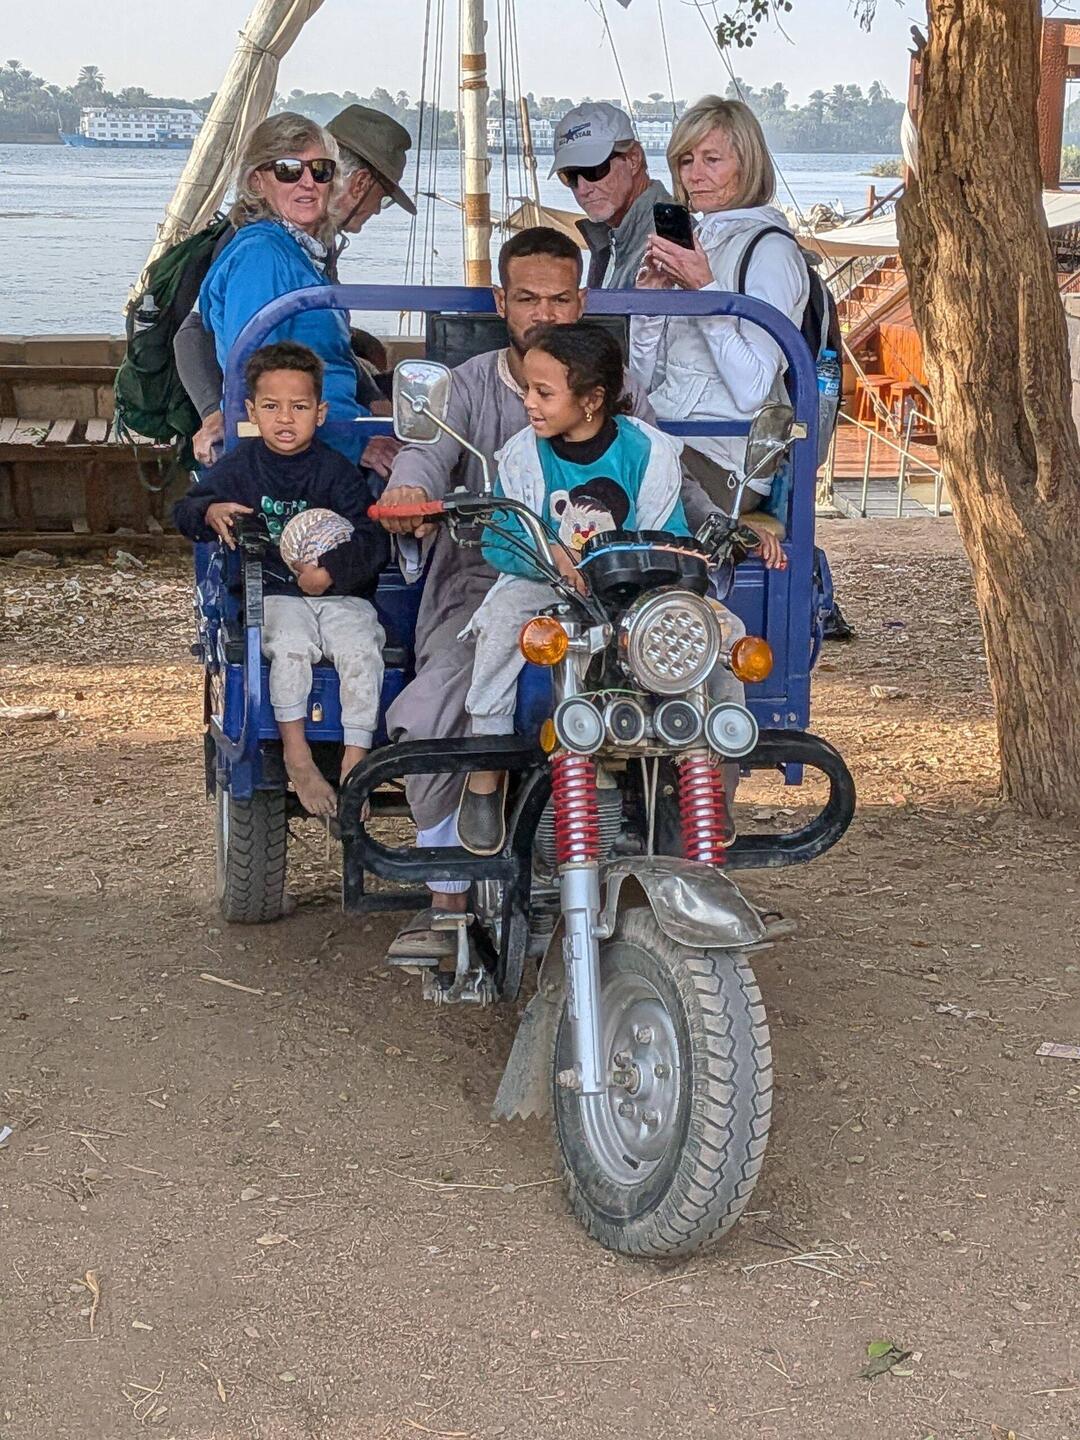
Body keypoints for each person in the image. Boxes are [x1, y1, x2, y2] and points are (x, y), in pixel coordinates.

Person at [376, 227, 661, 957]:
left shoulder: (610, 388)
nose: (544, 314)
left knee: (687, 686)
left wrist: (728, 520)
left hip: (604, 585)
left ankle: (676, 856)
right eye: (527, 298)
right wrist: (412, 484)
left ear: (582, 300)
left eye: (560, 299)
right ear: (501, 302)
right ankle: (446, 898)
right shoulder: (468, 385)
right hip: (485, 575)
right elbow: (428, 451)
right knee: (442, 698)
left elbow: (666, 477)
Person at [457, 322, 686, 854]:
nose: (529, 404)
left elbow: (671, 532)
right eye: (527, 391)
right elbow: (500, 537)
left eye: (544, 393)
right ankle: (487, 766)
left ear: (591, 400)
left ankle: (700, 769)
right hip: (543, 584)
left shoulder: (647, 451)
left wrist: (643, 561)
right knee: (498, 625)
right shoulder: (521, 455)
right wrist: (551, 555)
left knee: (712, 634)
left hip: (630, 588)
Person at [174, 341, 389, 818]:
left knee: (361, 649)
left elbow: (373, 539)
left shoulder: (335, 471)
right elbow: (183, 510)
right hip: (272, 592)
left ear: (320, 411)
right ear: (252, 411)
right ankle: (298, 755)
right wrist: (209, 510)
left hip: (336, 593)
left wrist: (330, 572)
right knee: (289, 645)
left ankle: (356, 757)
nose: (285, 419)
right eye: (271, 407)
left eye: (299, 407)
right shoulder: (240, 467)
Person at [176, 106, 415, 470]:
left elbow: (324, 351)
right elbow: (256, 374)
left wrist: (369, 407)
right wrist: (354, 447)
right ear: (258, 182)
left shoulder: (305, 251)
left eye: (320, 171)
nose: (308, 183)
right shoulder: (263, 255)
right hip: (306, 456)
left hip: (330, 434)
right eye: (288, 171)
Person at [632, 96, 808, 570]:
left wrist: (705, 291)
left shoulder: (771, 253)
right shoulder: (701, 240)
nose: (695, 175)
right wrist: (649, 307)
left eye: (712, 159)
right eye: (686, 161)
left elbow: (752, 391)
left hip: (728, 460)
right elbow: (646, 382)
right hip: (671, 431)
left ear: (745, 165)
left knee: (601, 458)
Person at [551, 101, 673, 289]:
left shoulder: (669, 241)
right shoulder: (614, 239)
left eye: (595, 170)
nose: (583, 189)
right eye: (571, 176)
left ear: (633, 159)